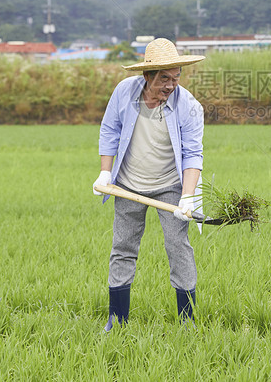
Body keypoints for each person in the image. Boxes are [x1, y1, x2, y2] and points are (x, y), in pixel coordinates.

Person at [92, 37, 205, 332]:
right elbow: (109, 129)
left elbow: (194, 153)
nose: (171, 85)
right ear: (146, 76)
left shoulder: (189, 106)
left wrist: (188, 197)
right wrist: (106, 174)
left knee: (178, 247)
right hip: (128, 184)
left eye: (176, 77)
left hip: (171, 186)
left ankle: (187, 322)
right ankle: (117, 319)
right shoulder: (124, 92)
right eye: (164, 78)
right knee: (123, 246)